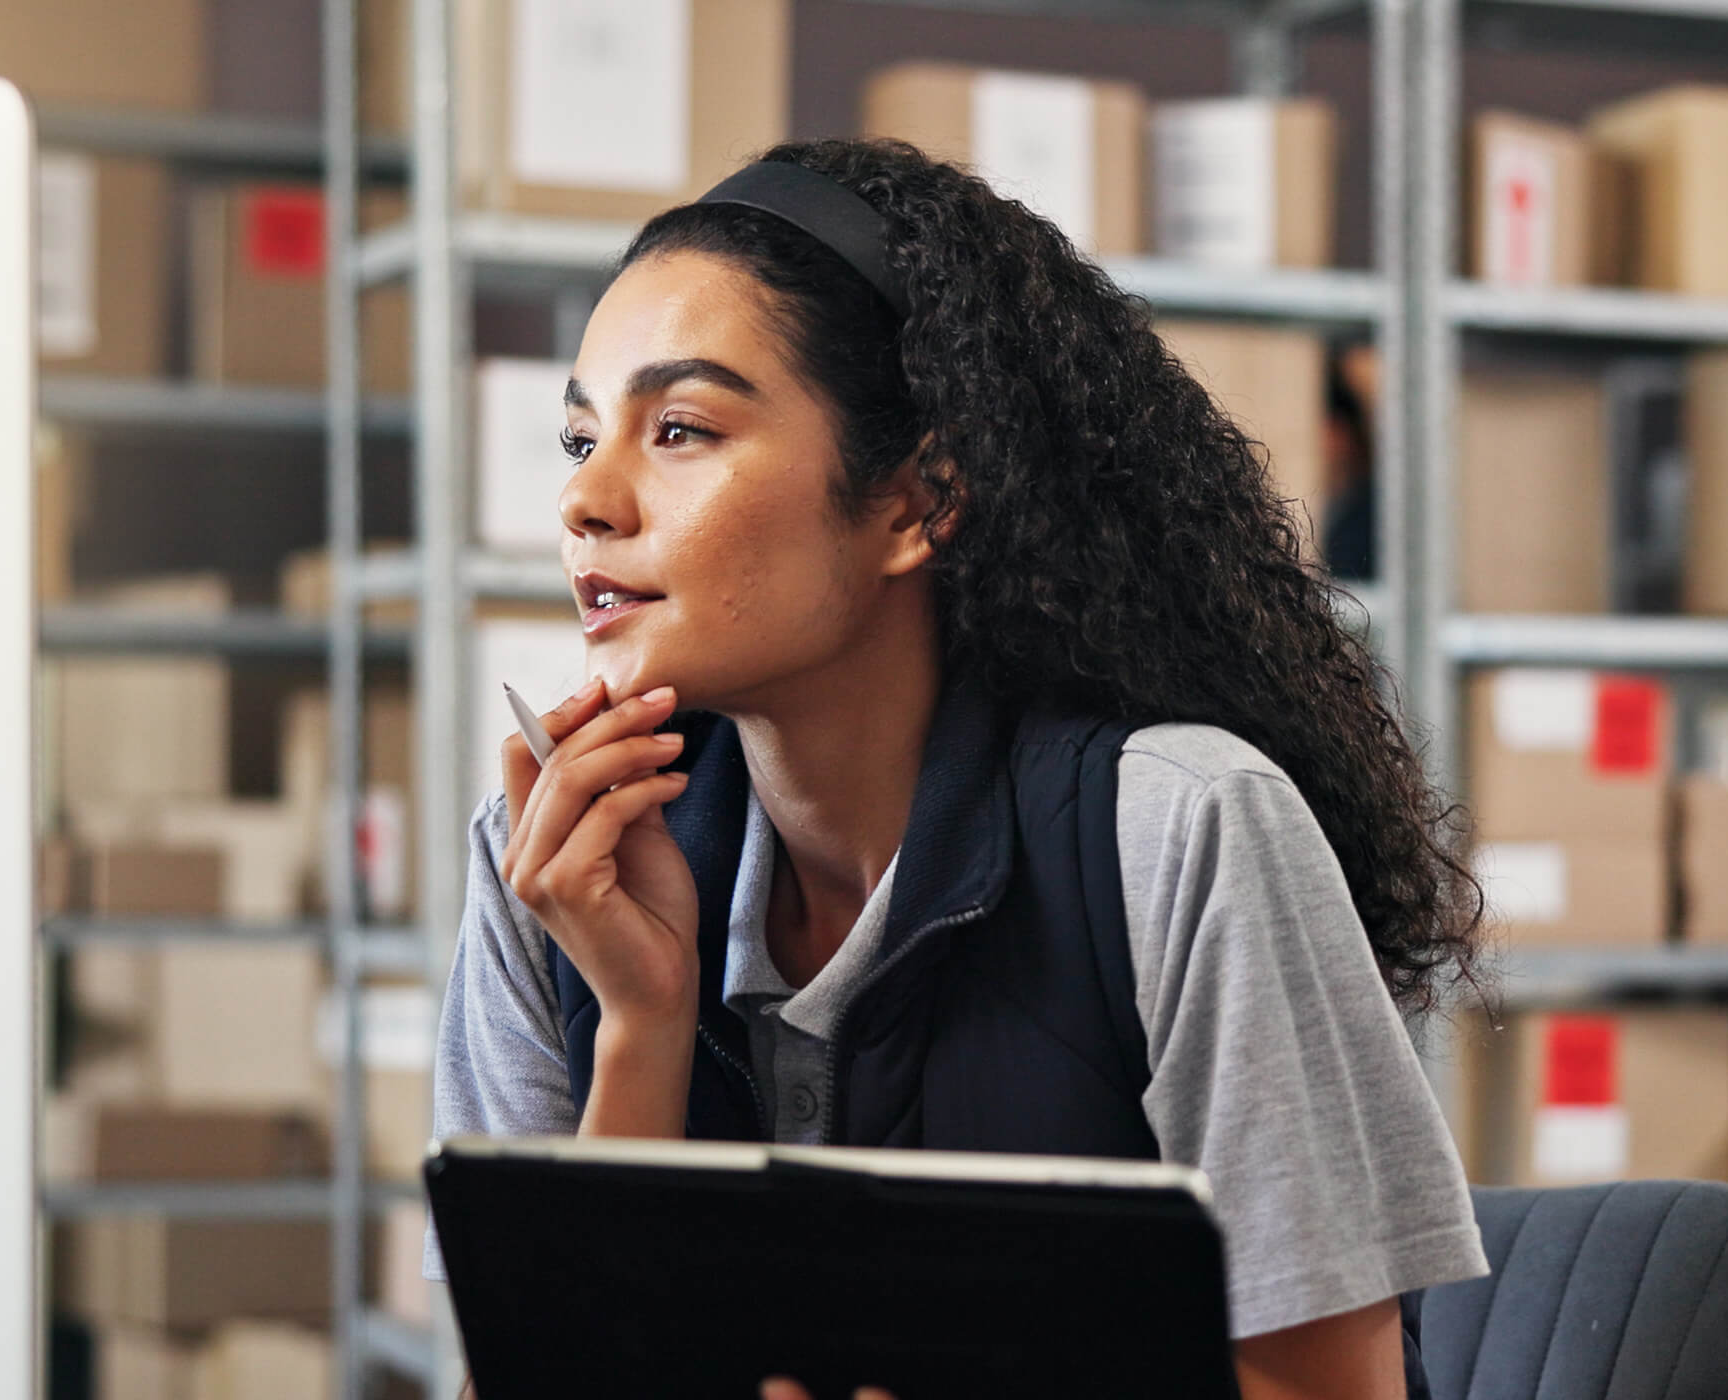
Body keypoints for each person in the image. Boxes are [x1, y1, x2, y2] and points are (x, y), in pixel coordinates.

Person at [426, 138, 1489, 1399]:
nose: (588, 501)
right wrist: (643, 1025)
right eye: (578, 438)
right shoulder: (549, 864)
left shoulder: (1178, 827)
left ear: (919, 496)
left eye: (679, 428)